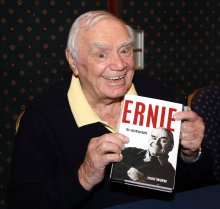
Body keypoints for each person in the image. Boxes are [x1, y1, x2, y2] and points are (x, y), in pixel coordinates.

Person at [7, 10, 214, 209]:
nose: (119, 64)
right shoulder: (43, 116)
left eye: (125, 50)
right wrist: (83, 177)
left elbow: (195, 185)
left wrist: (192, 154)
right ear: (73, 61)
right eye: (101, 54)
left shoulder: (155, 92)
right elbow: (23, 202)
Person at [111, 127, 176, 188]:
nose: (156, 143)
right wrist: (128, 169)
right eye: (154, 138)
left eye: (163, 141)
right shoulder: (130, 151)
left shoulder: (170, 173)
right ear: (149, 139)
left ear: (171, 146)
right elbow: (111, 159)